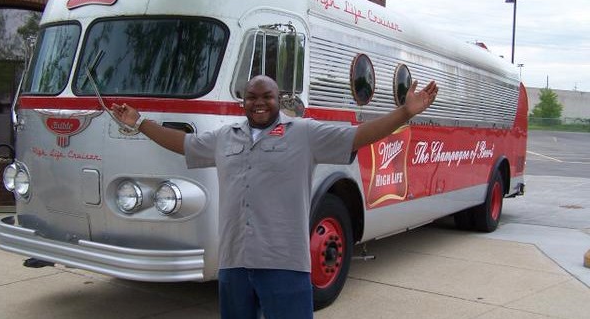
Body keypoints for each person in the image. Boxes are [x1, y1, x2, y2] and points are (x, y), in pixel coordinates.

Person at [111, 75, 438, 319]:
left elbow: (358, 136)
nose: (259, 103)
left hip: (284, 264)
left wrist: (404, 113)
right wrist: (139, 123)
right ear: (243, 101)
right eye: (252, 97)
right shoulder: (225, 137)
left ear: (278, 99)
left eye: (266, 96)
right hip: (234, 263)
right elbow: (183, 144)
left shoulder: (305, 134)